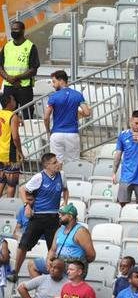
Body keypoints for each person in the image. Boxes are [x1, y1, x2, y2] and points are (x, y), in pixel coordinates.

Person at [11, 153, 69, 281]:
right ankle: (15, 271)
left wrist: (65, 202)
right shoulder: (39, 177)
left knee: (53, 249)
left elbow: (65, 189)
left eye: (57, 161)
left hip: (53, 217)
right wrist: (27, 205)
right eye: (54, 162)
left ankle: (54, 277)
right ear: (47, 165)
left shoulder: (62, 175)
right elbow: (22, 189)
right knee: (24, 243)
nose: (57, 164)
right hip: (38, 216)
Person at [43, 71, 89, 165]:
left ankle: (60, 180)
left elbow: (46, 117)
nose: (53, 85)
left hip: (57, 133)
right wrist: (75, 113)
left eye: (54, 82)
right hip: (72, 134)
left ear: (61, 80)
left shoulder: (54, 96)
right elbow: (87, 112)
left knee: (57, 163)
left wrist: (48, 130)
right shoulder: (77, 95)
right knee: (74, 163)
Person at [2, 20, 39, 117]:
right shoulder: (7, 46)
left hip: (24, 87)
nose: (13, 31)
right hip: (8, 87)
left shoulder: (30, 46)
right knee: (8, 116)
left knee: (27, 116)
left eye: (16, 29)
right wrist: (8, 78)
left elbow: (33, 69)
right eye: (12, 29)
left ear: (23, 30)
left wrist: (16, 78)